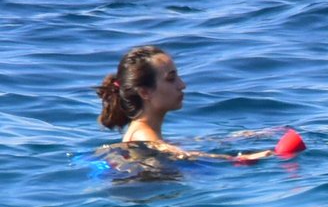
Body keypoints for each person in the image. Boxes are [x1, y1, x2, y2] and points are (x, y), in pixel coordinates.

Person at [97, 45, 273, 162]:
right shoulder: (143, 135)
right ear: (144, 92)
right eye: (171, 79)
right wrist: (239, 159)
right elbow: (184, 156)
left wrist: (236, 138)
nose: (182, 85)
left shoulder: (142, 132)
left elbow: (173, 147)